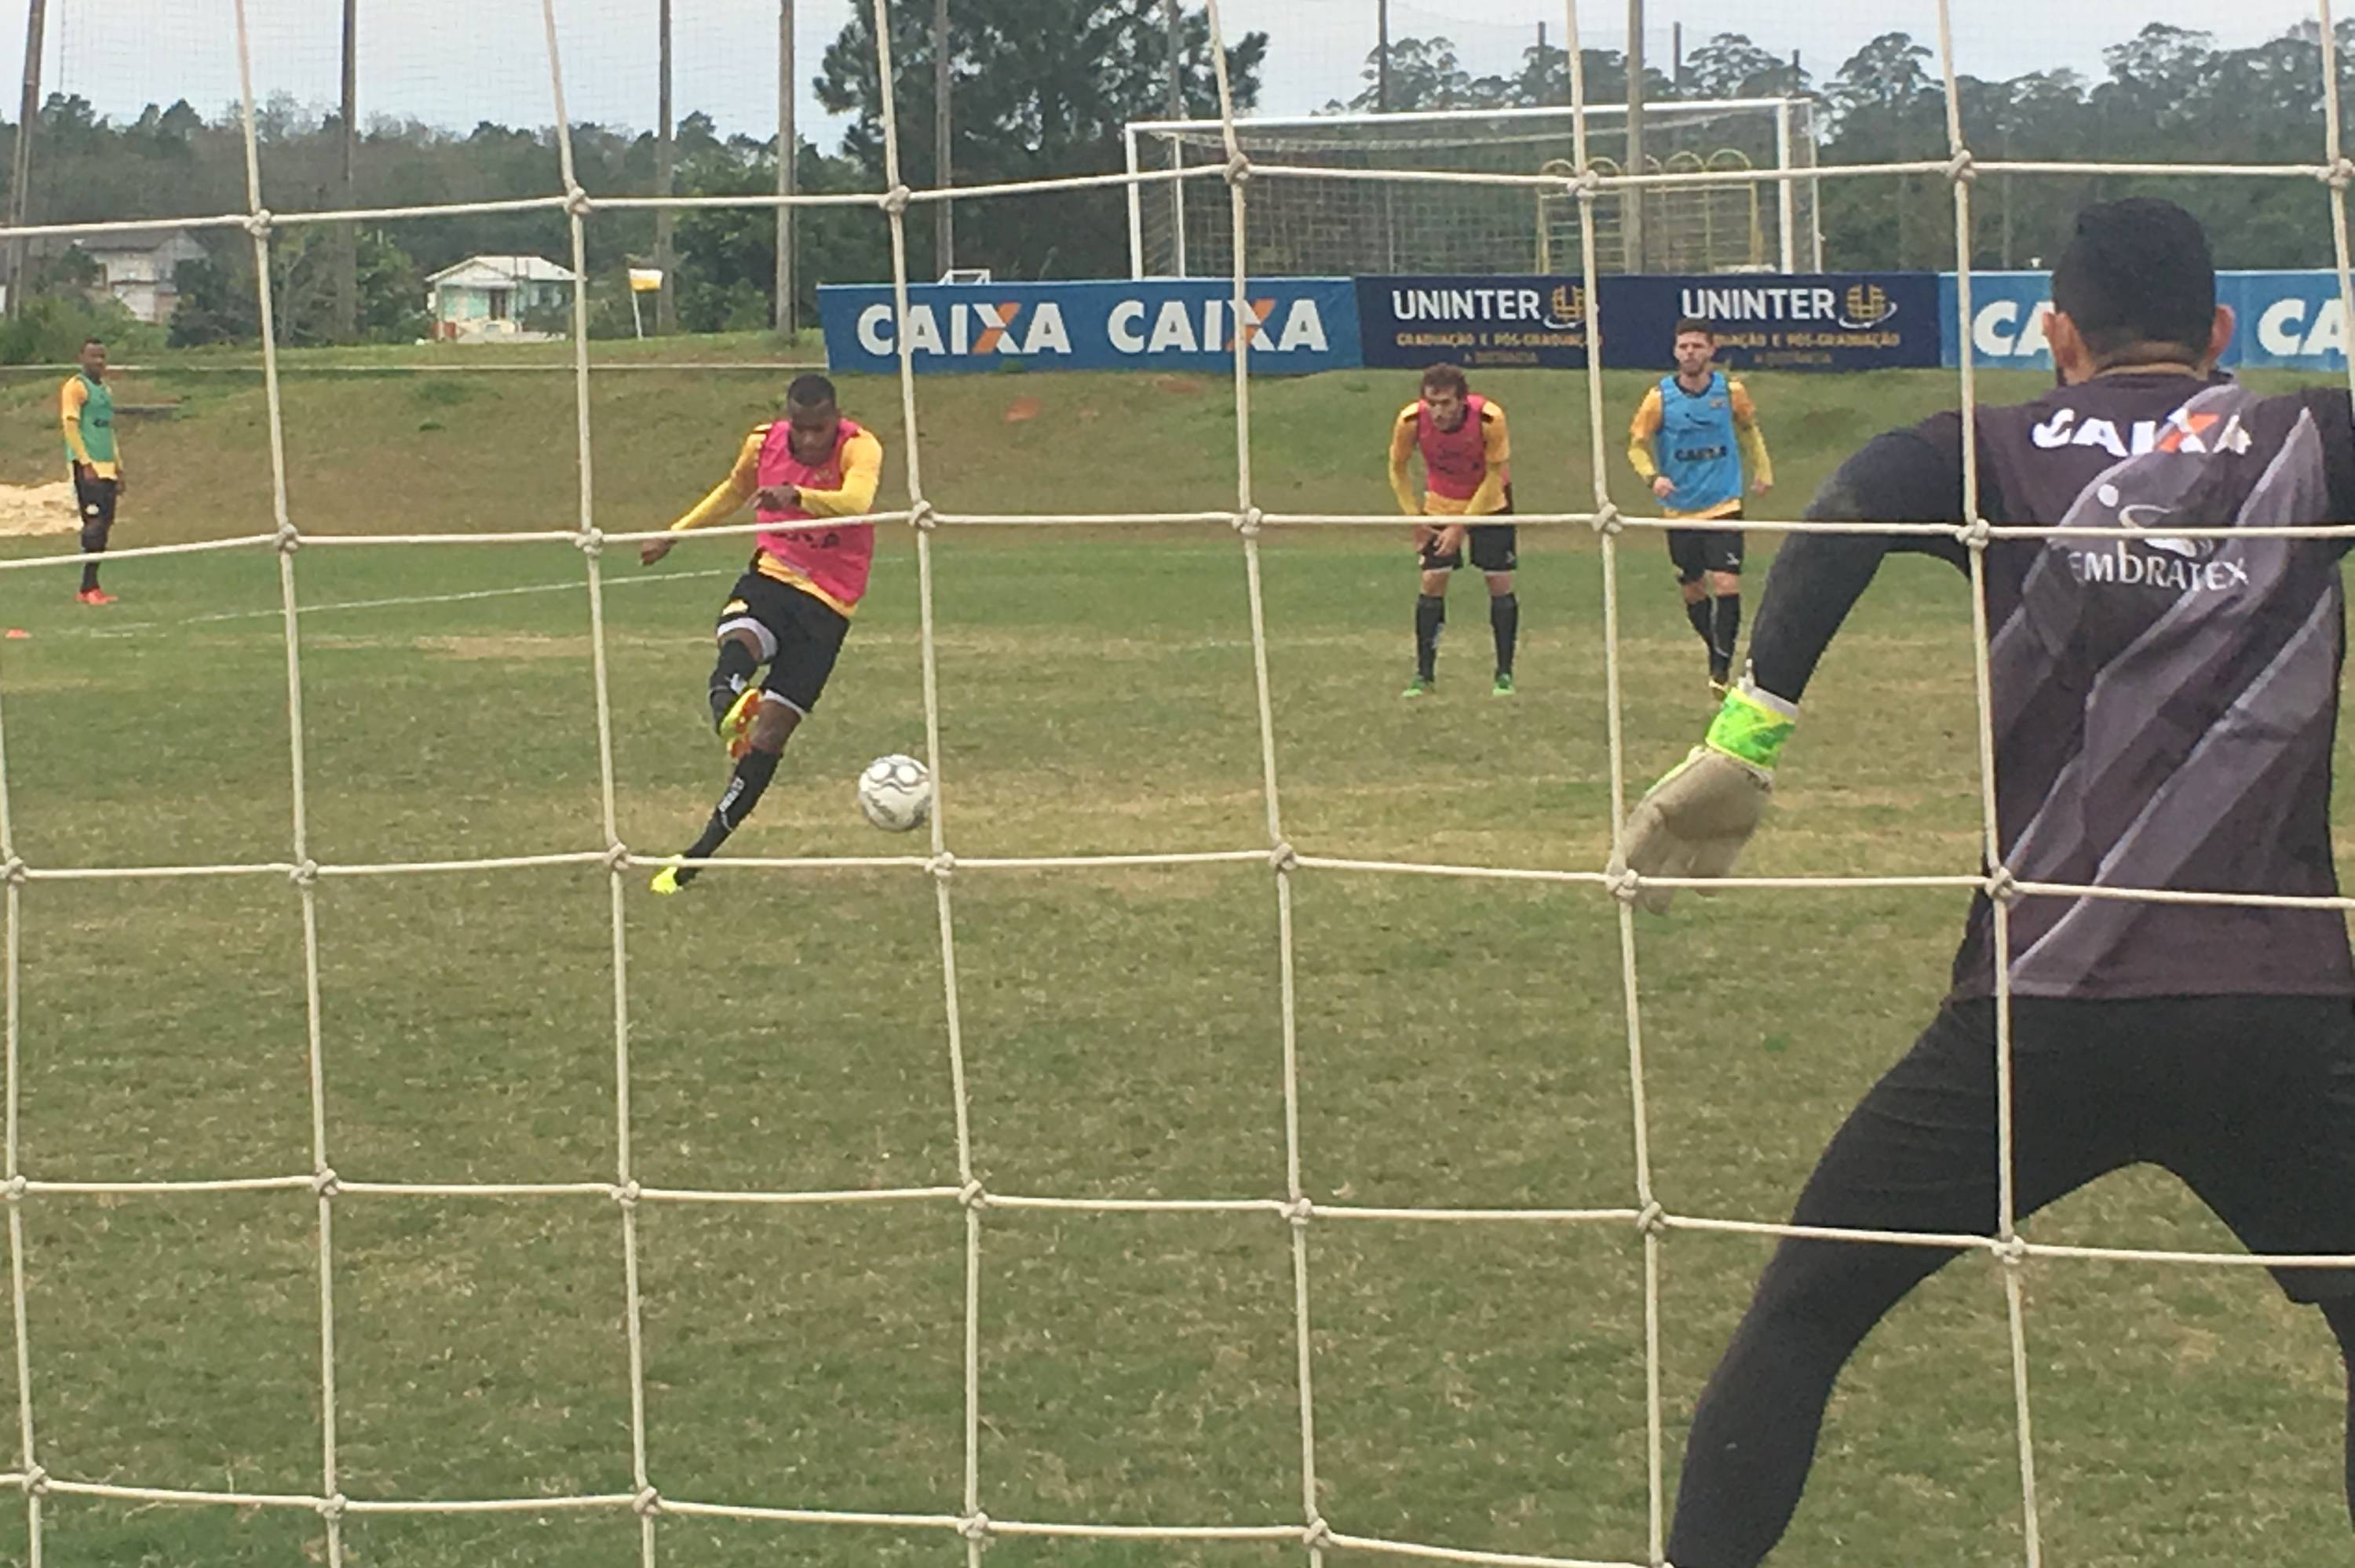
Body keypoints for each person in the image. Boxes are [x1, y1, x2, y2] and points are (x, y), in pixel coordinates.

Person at [1616, 197, 2355, 1566]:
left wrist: (1748, 732)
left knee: (1804, 1314)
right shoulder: (2315, 439)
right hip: (2275, 1006)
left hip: (2036, 1015)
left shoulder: (1991, 451)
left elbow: (1847, 506)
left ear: (2057, 335)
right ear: (2222, 331)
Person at [639, 374, 884, 895]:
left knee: (771, 737)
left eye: (820, 428)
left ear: (835, 419)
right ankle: (728, 704)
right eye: (801, 428)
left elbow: (857, 501)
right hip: (775, 573)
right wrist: (674, 534)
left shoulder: (859, 447)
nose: (811, 439)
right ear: (788, 419)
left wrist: (796, 495)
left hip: (830, 603)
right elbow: (734, 490)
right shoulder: (762, 443)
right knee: (740, 638)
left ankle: (698, 853)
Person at [1627, 319, 1773, 693]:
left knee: (1726, 581)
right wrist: (1653, 478)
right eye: (1684, 347)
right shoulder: (1659, 398)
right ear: (1675, 352)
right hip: (1680, 509)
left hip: (1723, 502)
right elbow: (1636, 446)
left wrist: (1763, 470)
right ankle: (1716, 649)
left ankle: (1720, 670)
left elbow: (1749, 430)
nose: (1690, 353)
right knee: (1693, 589)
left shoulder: (1730, 391)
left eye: (1697, 346)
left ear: (1711, 350)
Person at [1388, 363, 1518, 698]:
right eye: (1432, 403)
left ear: (1462, 400)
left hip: (1489, 501)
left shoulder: (1489, 419)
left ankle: (1504, 674)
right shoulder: (1410, 421)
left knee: (1498, 581)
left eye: (1446, 403)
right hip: (1441, 501)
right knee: (1432, 581)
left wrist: (1462, 525)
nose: (1438, 411)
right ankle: (1424, 675)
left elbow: (1495, 474)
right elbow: (1397, 468)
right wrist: (1414, 518)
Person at [62, 337, 126, 606]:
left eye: (102, 356)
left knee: (105, 524)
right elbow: (70, 427)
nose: (98, 361)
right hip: (88, 467)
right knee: (94, 525)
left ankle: (91, 586)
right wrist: (85, 462)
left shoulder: (104, 391)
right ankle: (87, 588)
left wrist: (118, 466)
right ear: (82, 358)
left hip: (106, 467)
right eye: (93, 356)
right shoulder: (76, 387)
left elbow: (108, 432)